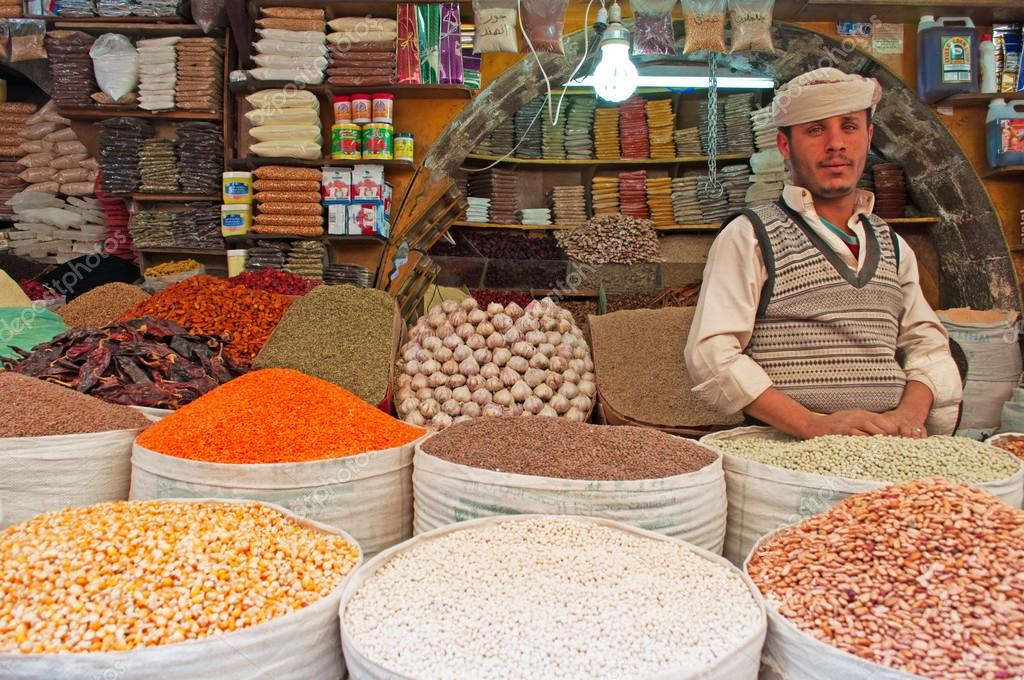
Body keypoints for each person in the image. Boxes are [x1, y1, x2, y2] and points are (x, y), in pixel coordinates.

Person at [684, 67, 962, 439]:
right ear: (785, 145)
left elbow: (927, 345)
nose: (836, 144)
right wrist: (810, 423)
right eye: (815, 130)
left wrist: (908, 416)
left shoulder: (892, 245)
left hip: (889, 444)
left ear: (869, 137)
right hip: (788, 447)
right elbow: (712, 353)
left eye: (849, 127)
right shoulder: (751, 235)